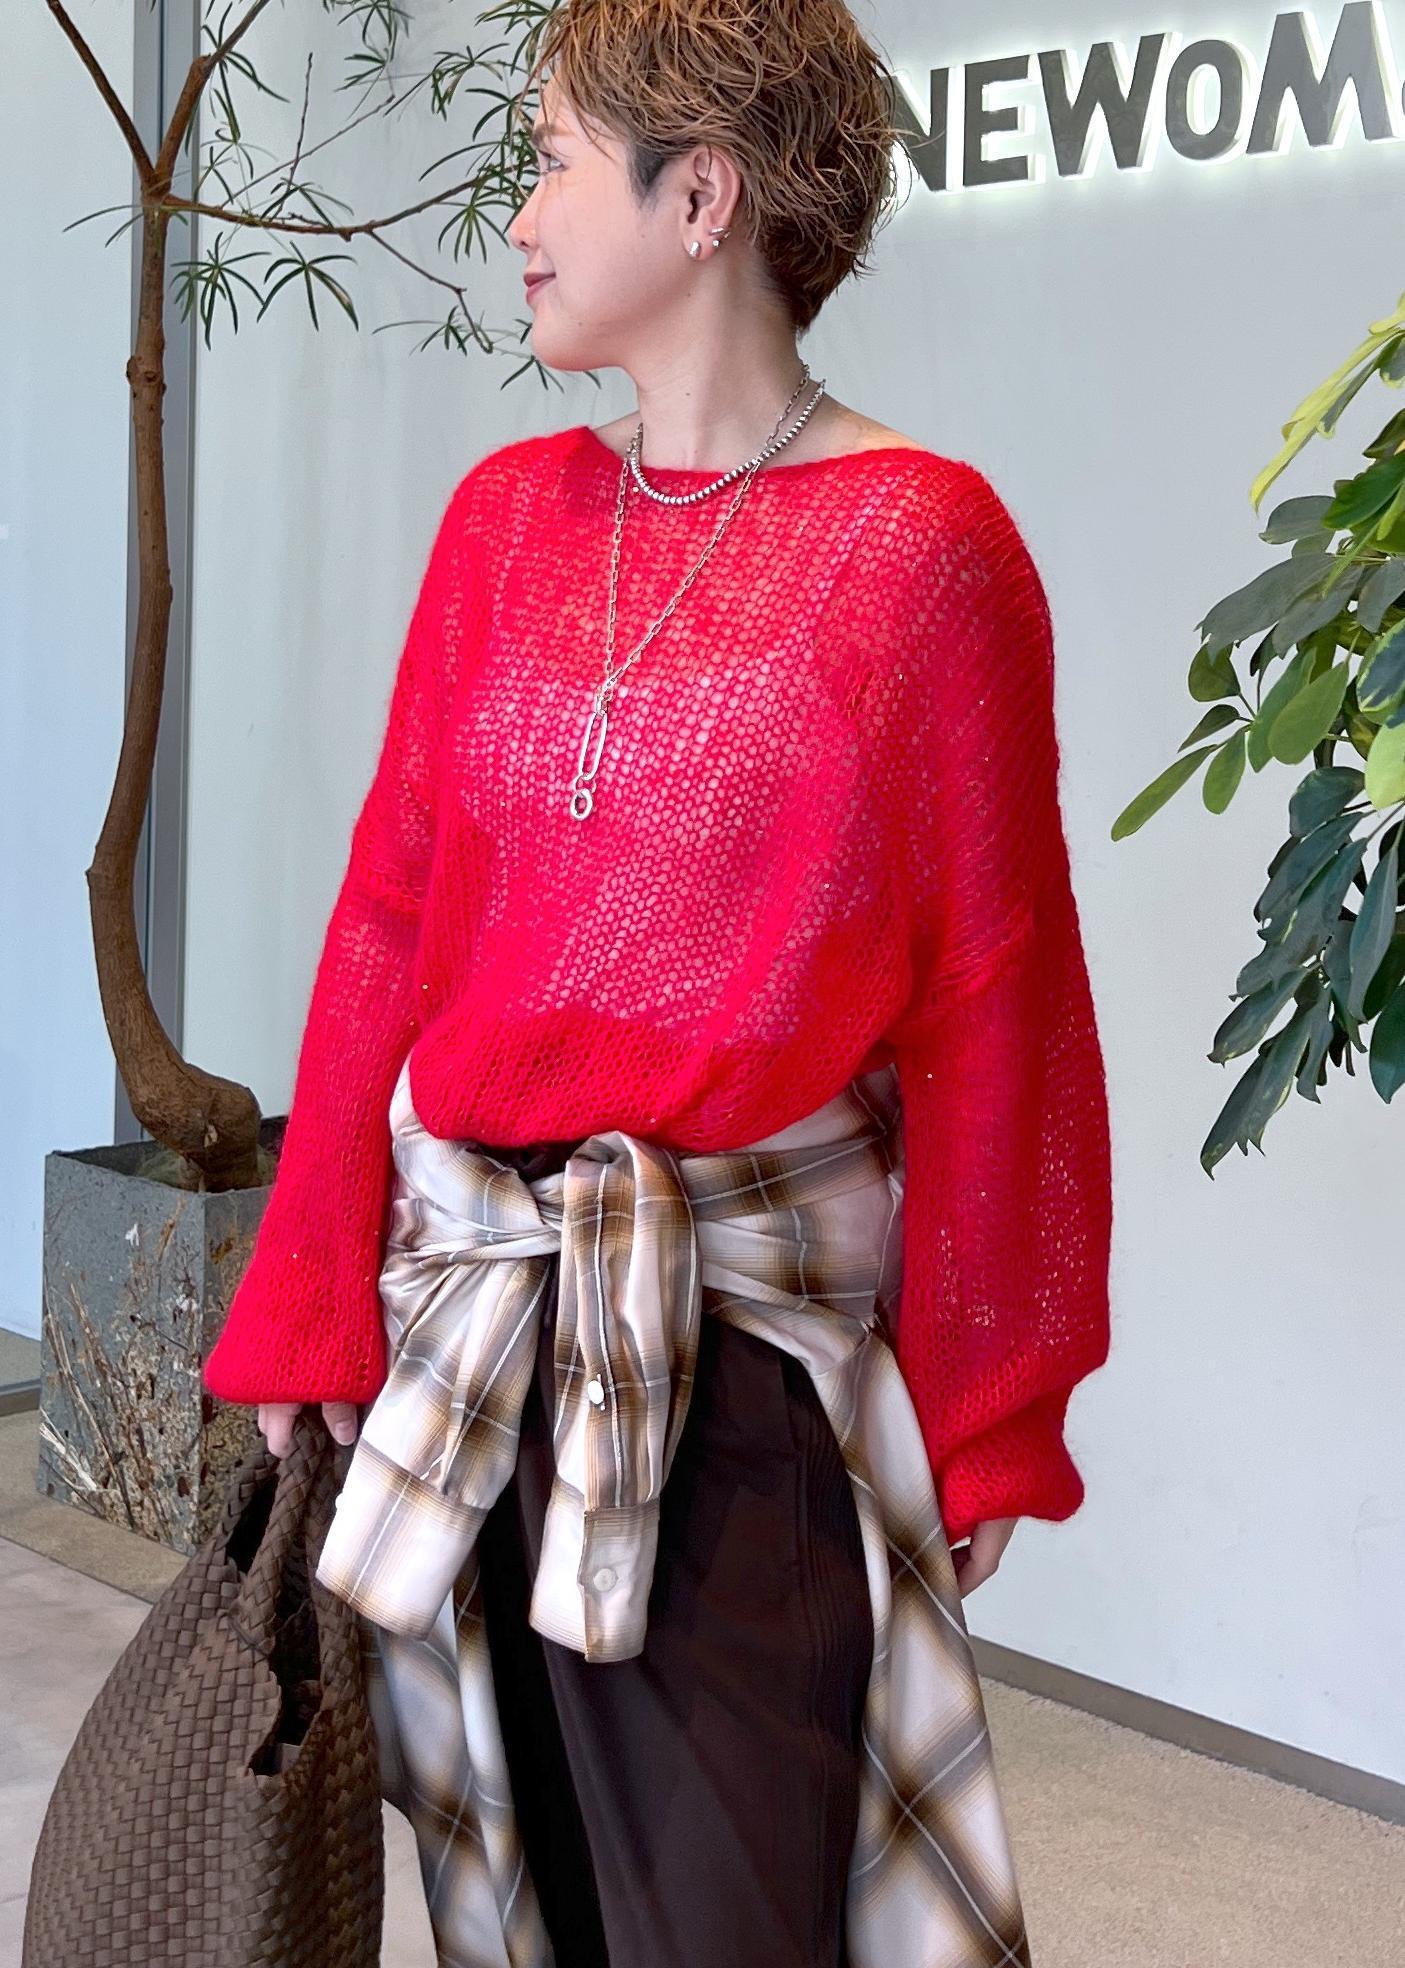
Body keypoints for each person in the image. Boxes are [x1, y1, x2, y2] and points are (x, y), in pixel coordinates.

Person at [204, 3, 1113, 1962]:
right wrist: (307, 1296)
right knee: (513, 1908)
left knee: (726, 1921)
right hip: (473, 1345)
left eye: (548, 162)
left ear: (700, 197)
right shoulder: (503, 523)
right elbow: (386, 926)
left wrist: (989, 1401)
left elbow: (999, 1005)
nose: (518, 217)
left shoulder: (923, 551)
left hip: (738, 1390)